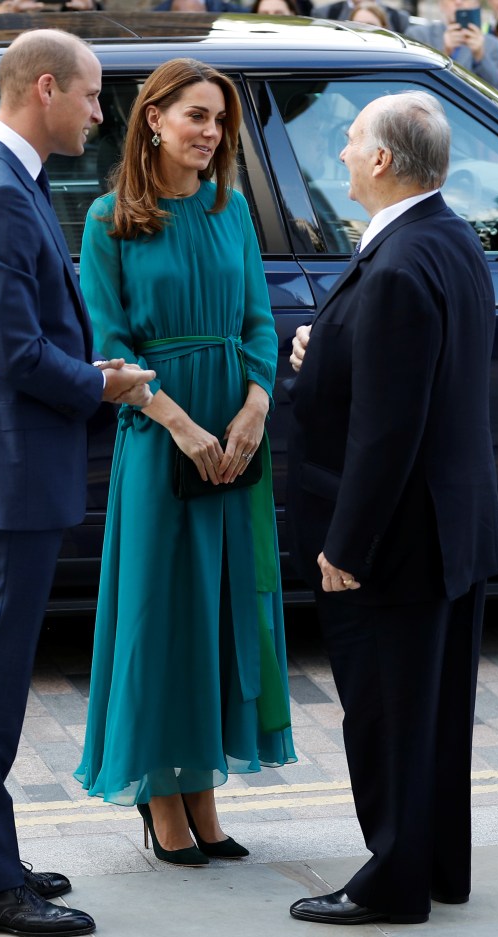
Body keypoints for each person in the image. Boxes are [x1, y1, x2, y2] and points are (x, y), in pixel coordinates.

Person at [0, 28, 155, 937]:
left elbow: (27, 333)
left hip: (12, 465)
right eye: (95, 97)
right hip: (9, 474)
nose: (102, 115)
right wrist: (99, 383)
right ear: (46, 87)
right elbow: (13, 353)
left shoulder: (7, 178)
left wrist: (84, 361)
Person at [286, 91, 498, 925]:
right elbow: (409, 375)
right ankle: (439, 865)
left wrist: (346, 545)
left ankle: (392, 882)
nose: (340, 154)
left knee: (385, 717)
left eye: (349, 143)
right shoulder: (447, 241)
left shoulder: (401, 264)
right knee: (435, 715)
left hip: (394, 540)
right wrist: (325, 349)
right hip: (451, 528)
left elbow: (387, 429)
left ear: (382, 161)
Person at [75, 57, 296, 866]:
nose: (210, 133)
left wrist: (253, 406)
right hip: (161, 440)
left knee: (222, 613)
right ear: (155, 119)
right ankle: (158, 796)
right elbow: (110, 347)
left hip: (236, 442)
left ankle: (202, 789)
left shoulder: (231, 209)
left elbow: (260, 323)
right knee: (159, 617)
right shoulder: (109, 221)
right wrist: (180, 423)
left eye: (219, 121)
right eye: (197, 116)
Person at [407, 0, 498, 91]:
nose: (458, 2)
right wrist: (444, 53)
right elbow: (411, 82)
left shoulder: (493, 44)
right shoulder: (419, 35)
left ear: (476, 4)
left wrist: (480, 57)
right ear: (441, 4)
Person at [312, 0, 409, 34]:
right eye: (356, 25)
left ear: (384, 26)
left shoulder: (399, 18)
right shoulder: (325, 13)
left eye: (371, 25)